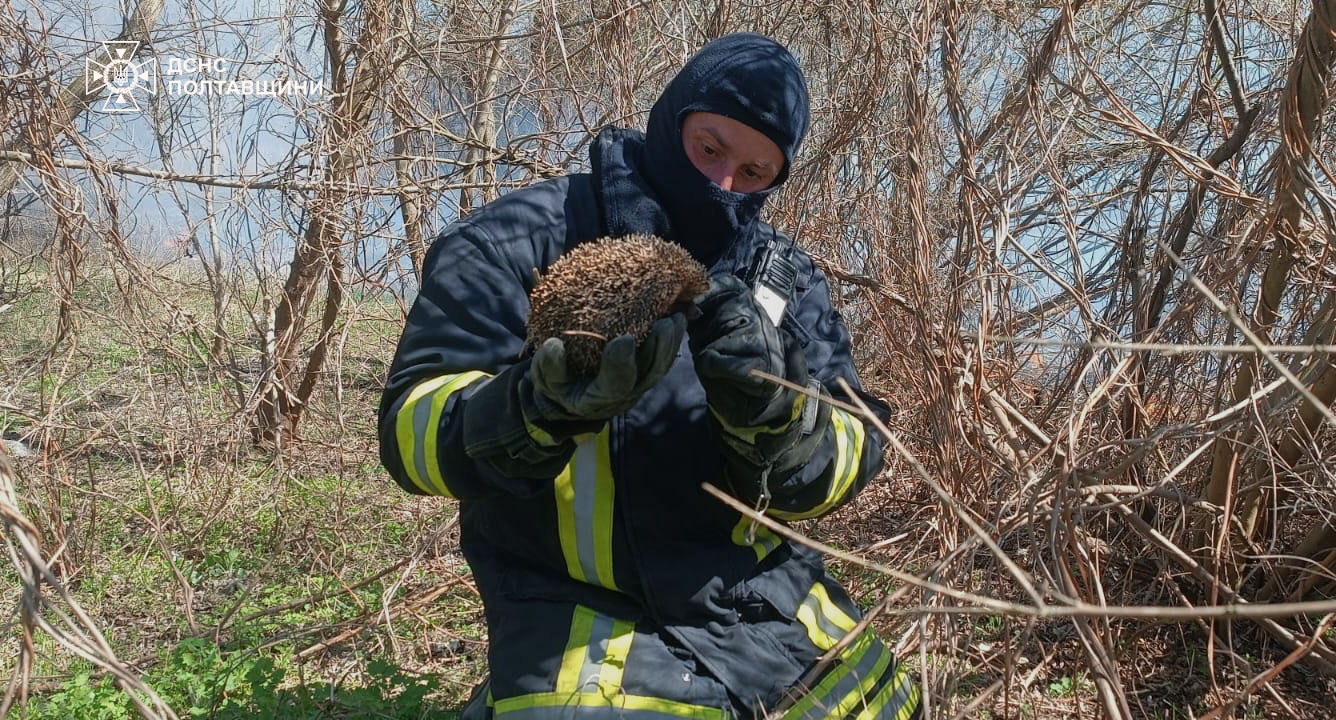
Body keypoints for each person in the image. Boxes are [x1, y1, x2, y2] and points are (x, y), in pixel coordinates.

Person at [378, 32, 922, 720]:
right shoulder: (514, 239)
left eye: (754, 174)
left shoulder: (786, 281)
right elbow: (410, 434)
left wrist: (778, 420)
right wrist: (534, 409)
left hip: (773, 609)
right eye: (710, 149)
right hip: (581, 622)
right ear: (672, 119)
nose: (723, 185)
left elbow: (854, 444)